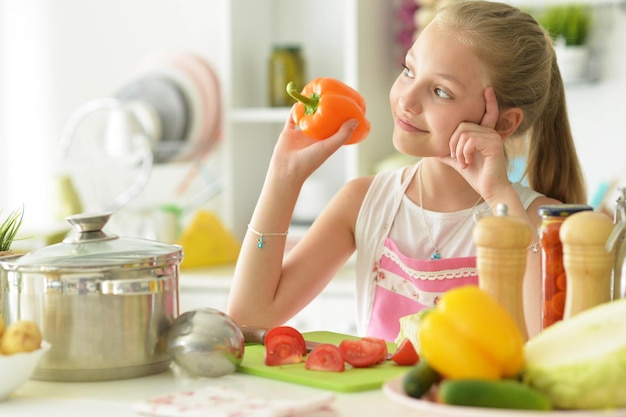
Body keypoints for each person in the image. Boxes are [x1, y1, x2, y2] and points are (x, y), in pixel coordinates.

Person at [226, 0, 586, 340]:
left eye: (441, 92)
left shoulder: (544, 224)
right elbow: (249, 317)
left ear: (504, 123)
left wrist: (499, 197)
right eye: (409, 70)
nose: (407, 100)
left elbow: (546, 344)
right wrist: (283, 175)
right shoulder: (364, 203)